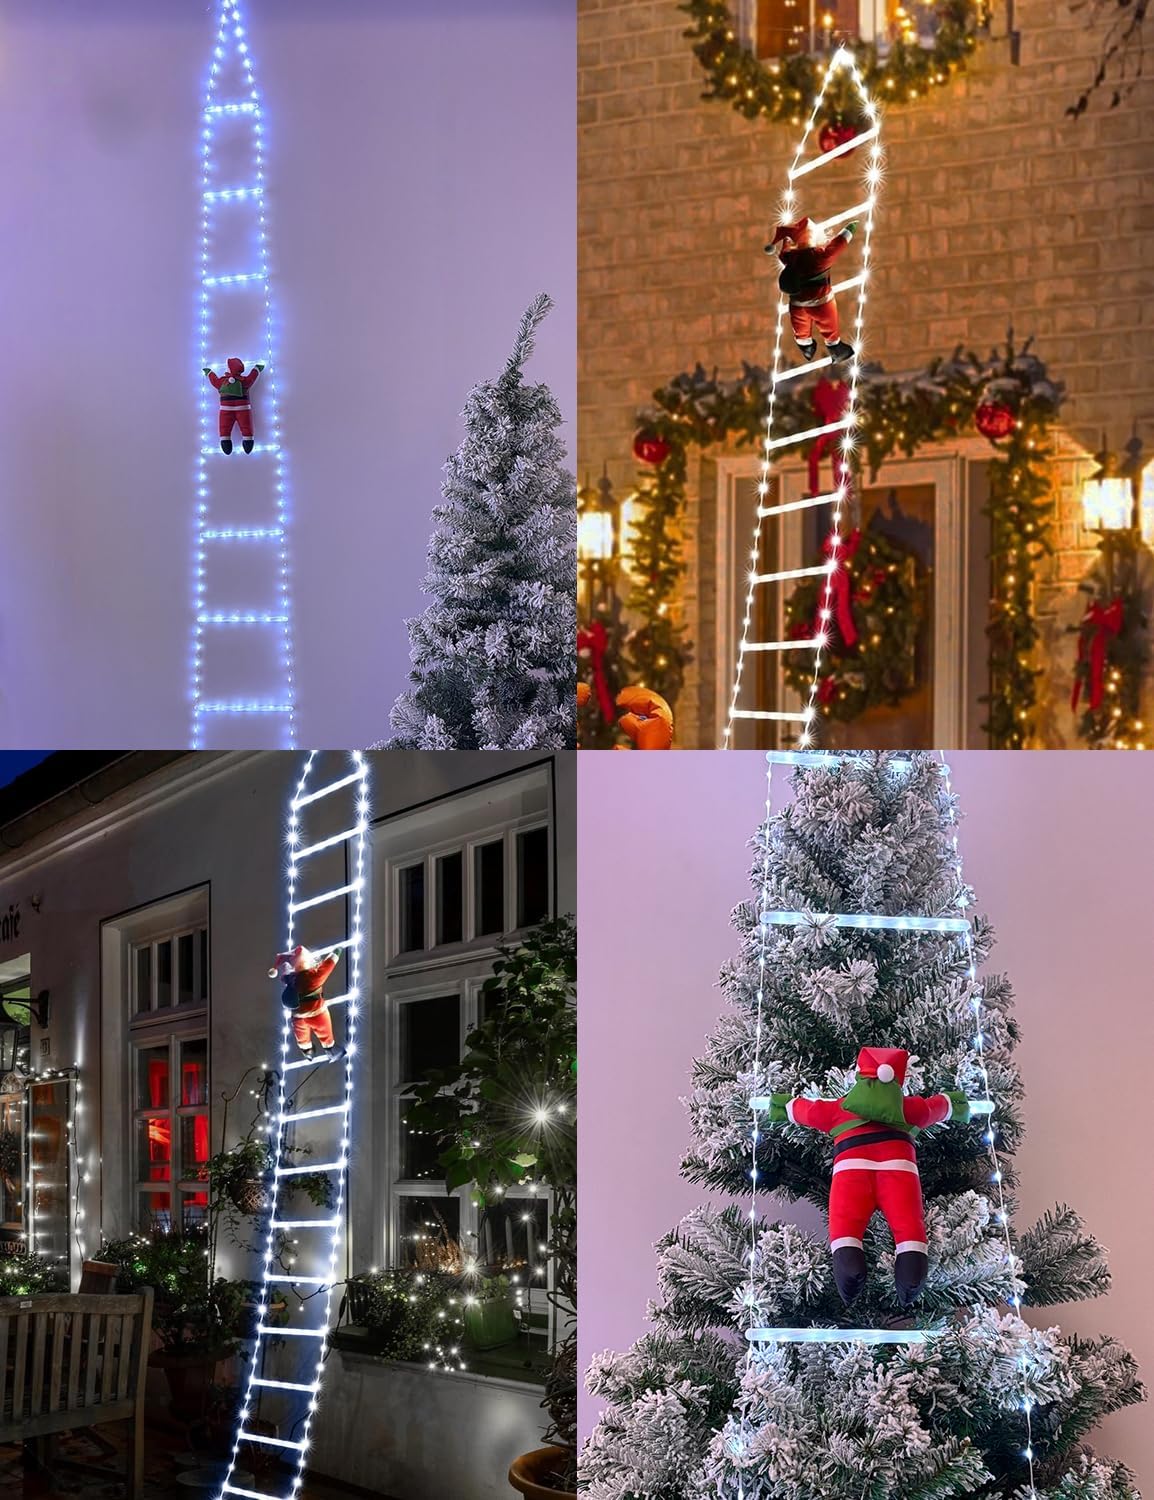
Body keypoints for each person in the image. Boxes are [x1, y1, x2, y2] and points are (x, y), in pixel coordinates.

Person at [767, 217, 858, 364]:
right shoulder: (819, 256)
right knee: (829, 326)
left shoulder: (790, 257)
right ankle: (836, 349)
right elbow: (837, 246)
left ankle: (806, 347)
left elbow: (783, 252)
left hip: (797, 305)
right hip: (821, 304)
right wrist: (849, 230)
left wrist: (787, 240)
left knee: (800, 329)